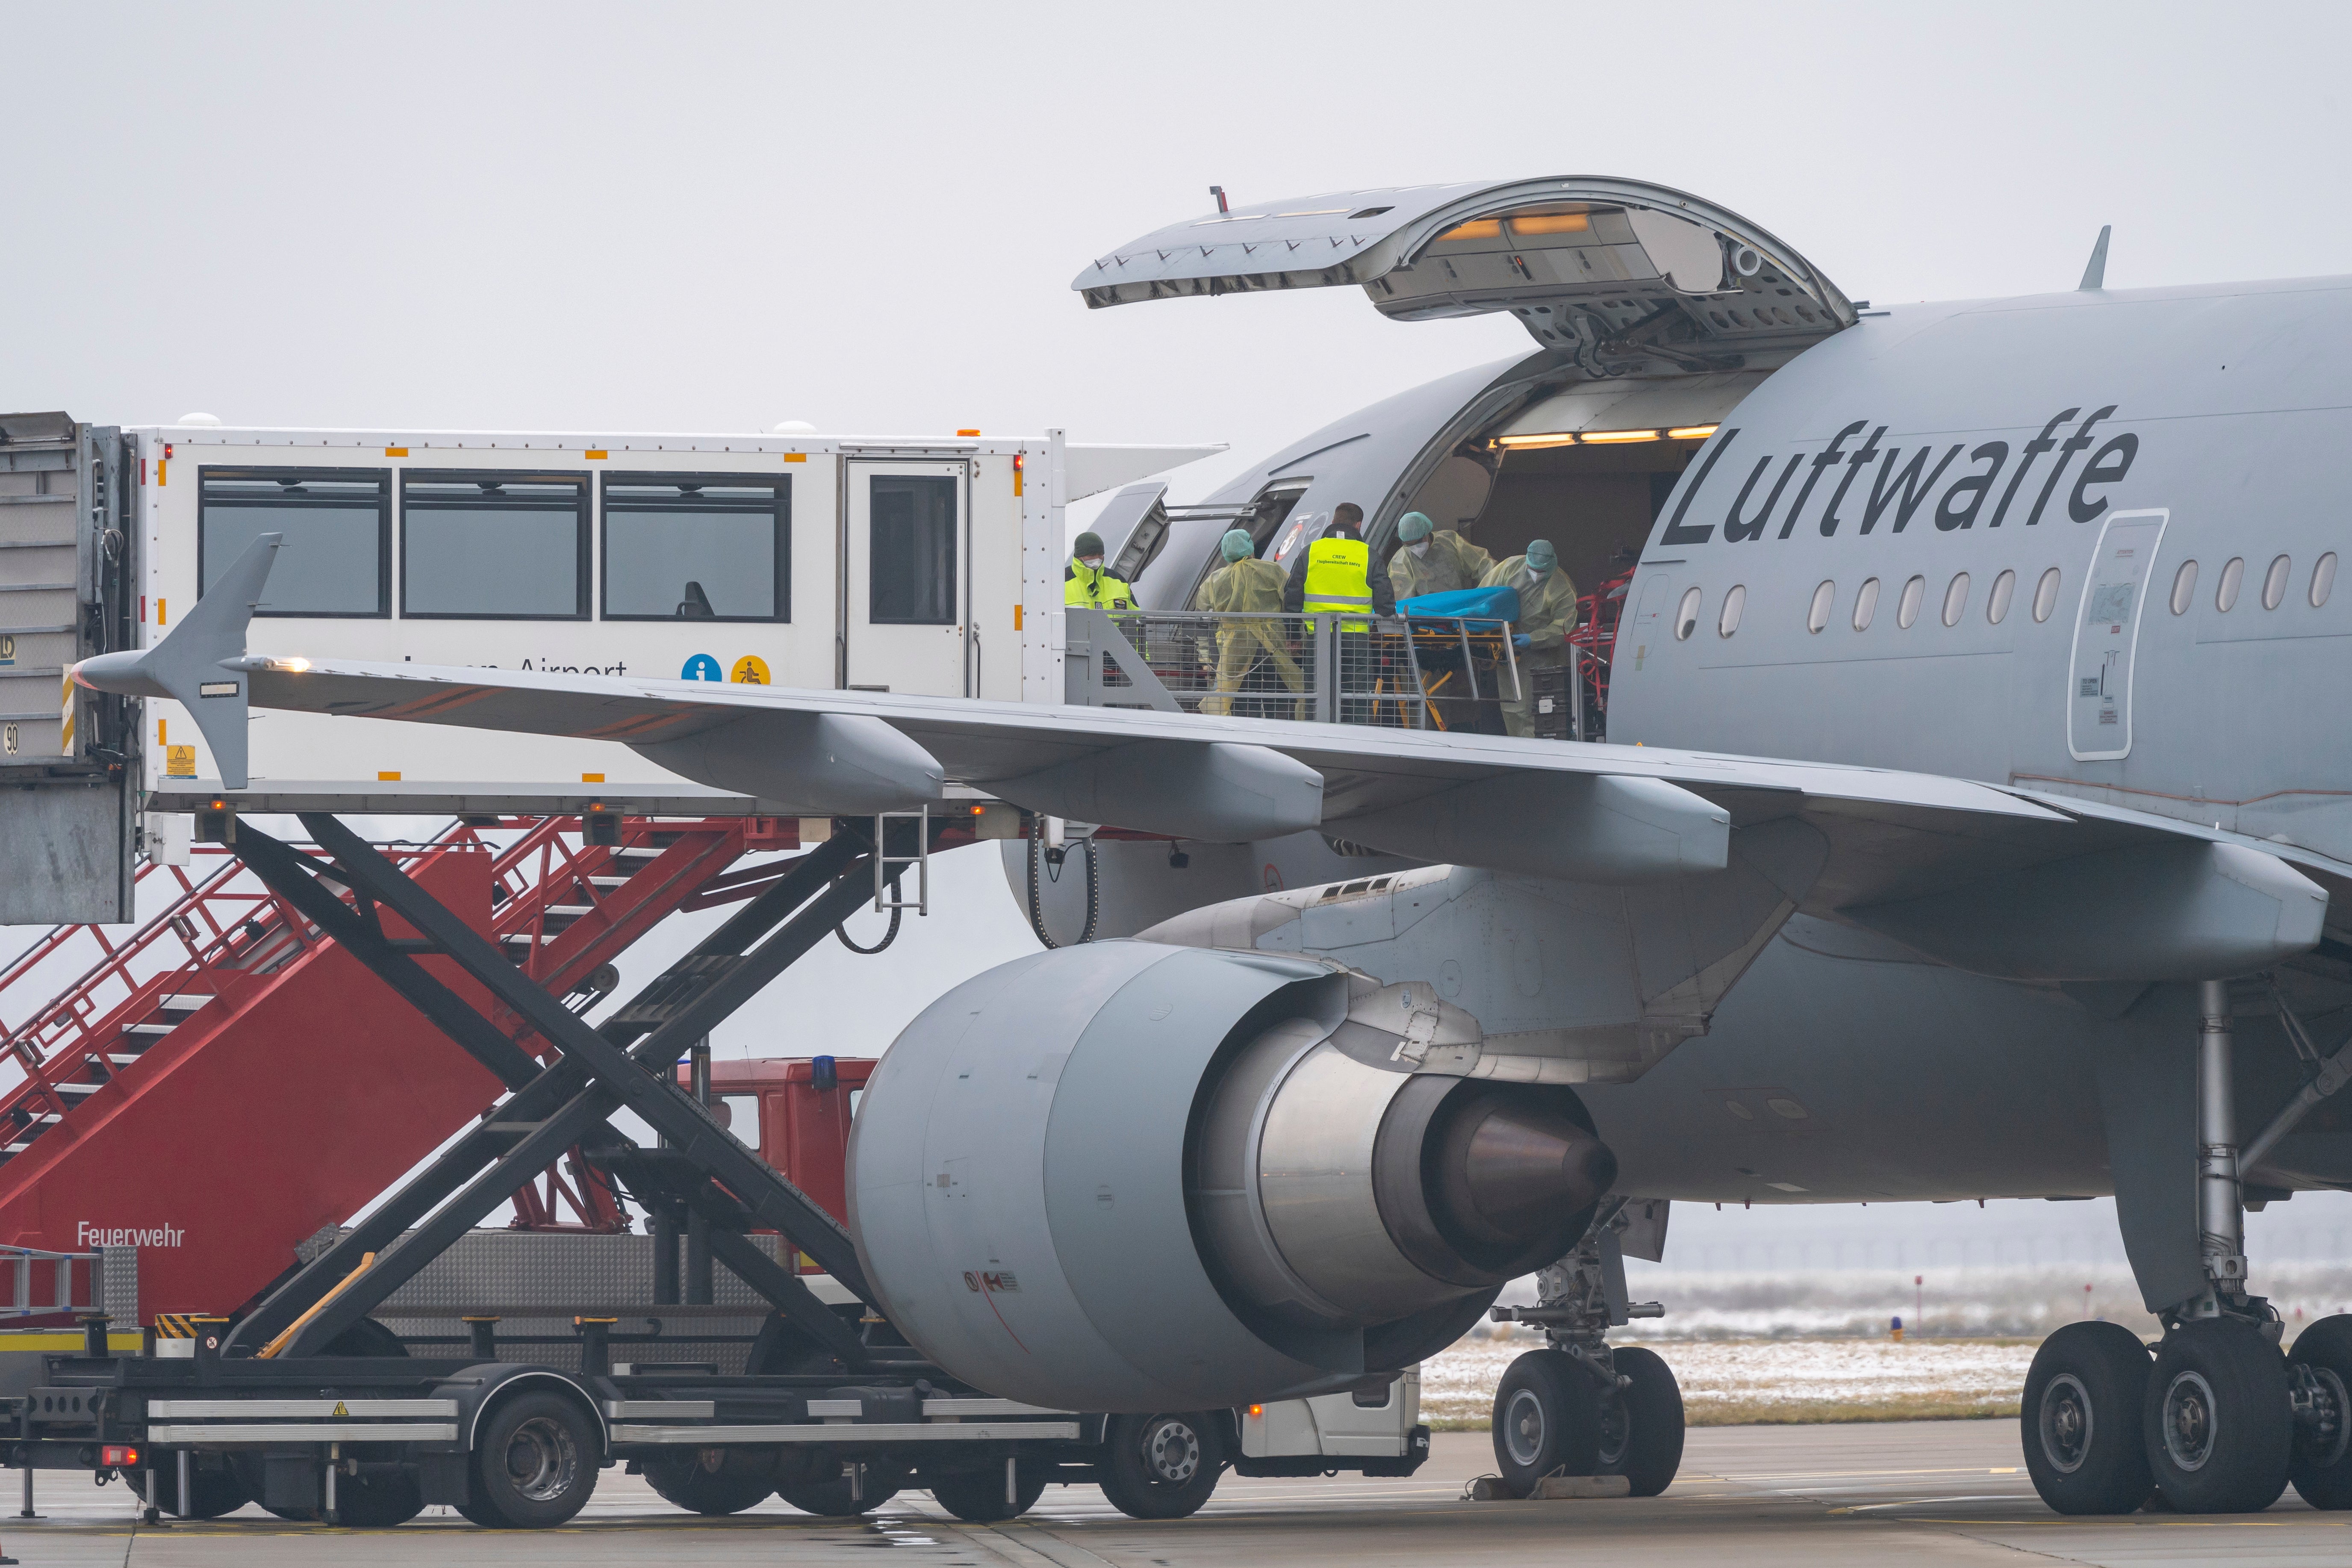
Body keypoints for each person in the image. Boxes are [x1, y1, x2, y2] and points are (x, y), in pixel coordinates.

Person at [1193, 529, 1303, 717]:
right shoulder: (1273, 570)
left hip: (1234, 650)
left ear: (1226, 551)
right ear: (1250, 546)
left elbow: (1201, 614)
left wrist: (1206, 656)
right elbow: (1292, 602)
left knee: (1239, 702)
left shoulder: (1214, 580)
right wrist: (1296, 636)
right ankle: (1282, 743)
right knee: (1279, 699)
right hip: (1272, 647)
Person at [1482, 538, 1580, 738]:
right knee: (1510, 708)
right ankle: (1517, 756)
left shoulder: (1562, 586)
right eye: (1533, 569)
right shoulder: (1510, 567)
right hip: (1509, 654)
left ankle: (1535, 757)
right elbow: (1484, 595)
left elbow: (1565, 627)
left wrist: (1533, 639)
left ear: (1552, 564)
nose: (1536, 575)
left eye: (1542, 571)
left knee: (1535, 713)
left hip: (1542, 660)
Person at [1281, 504, 1396, 631]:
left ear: (1333, 522)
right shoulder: (1370, 555)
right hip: (1357, 639)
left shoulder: (1309, 552)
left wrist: (1293, 635)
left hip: (1317, 637)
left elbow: (1292, 597)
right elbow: (1385, 604)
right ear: (1358, 525)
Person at [1385, 511, 1495, 601]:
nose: (1415, 548)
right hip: (1426, 619)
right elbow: (1403, 602)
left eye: (1417, 542)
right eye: (1409, 545)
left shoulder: (1450, 541)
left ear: (1427, 534)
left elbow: (1482, 564)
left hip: (1458, 609)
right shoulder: (1400, 562)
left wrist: (1495, 588)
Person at [1063, 531, 1132, 609]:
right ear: (1079, 556)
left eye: (1100, 554)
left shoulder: (1119, 581)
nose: (1097, 558)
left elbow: (1137, 617)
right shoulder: (1060, 583)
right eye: (1092, 555)